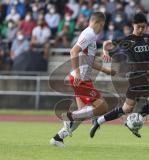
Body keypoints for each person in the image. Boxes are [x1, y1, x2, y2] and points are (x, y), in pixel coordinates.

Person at [90, 12, 149, 138]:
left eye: (143, 27)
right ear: (133, 25)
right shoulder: (127, 40)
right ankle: (133, 122)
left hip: (141, 77)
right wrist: (105, 51)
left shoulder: (147, 38)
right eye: (138, 27)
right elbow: (107, 44)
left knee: (127, 109)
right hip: (136, 76)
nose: (141, 29)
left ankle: (98, 121)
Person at [50, 12, 116, 147]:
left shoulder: (89, 35)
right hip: (81, 79)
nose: (101, 29)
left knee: (83, 114)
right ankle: (69, 117)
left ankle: (58, 138)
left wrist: (105, 70)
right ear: (99, 23)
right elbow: (73, 51)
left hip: (82, 78)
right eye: (102, 26)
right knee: (102, 106)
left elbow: (88, 60)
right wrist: (79, 74)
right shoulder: (90, 34)